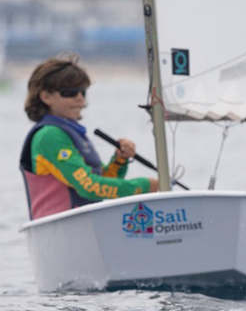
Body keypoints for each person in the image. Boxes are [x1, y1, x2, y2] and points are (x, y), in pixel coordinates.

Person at [19, 55, 157, 220]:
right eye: (69, 92)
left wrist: (119, 161)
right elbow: (88, 186)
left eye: (82, 92)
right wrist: (143, 187)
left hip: (85, 225)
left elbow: (101, 182)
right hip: (61, 227)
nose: (79, 98)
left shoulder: (70, 133)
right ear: (46, 97)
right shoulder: (50, 136)